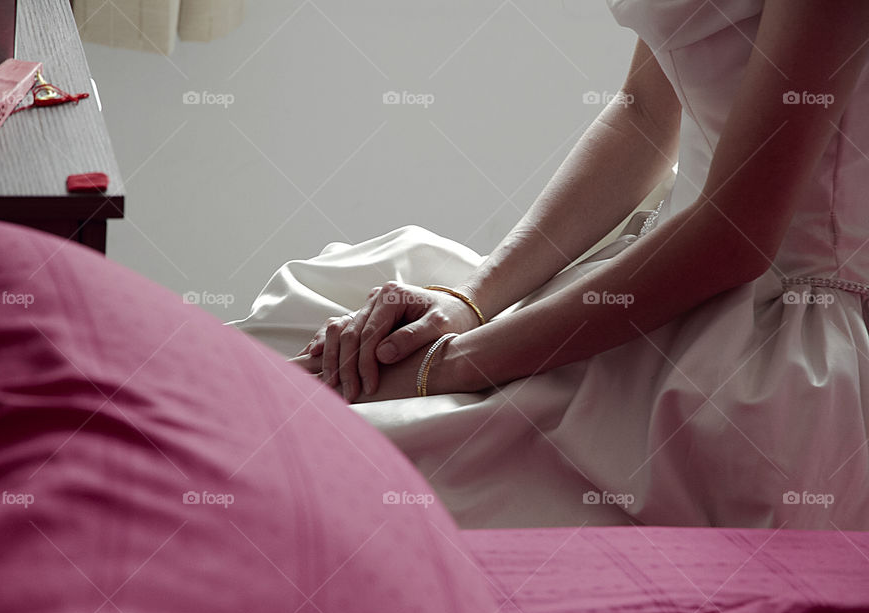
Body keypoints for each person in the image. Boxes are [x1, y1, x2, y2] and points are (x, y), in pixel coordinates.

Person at [235, 0, 869, 529]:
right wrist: (470, 303)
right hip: (655, 278)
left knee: (326, 465)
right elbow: (646, 112)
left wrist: (447, 365)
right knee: (285, 344)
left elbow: (736, 236)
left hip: (769, 350)